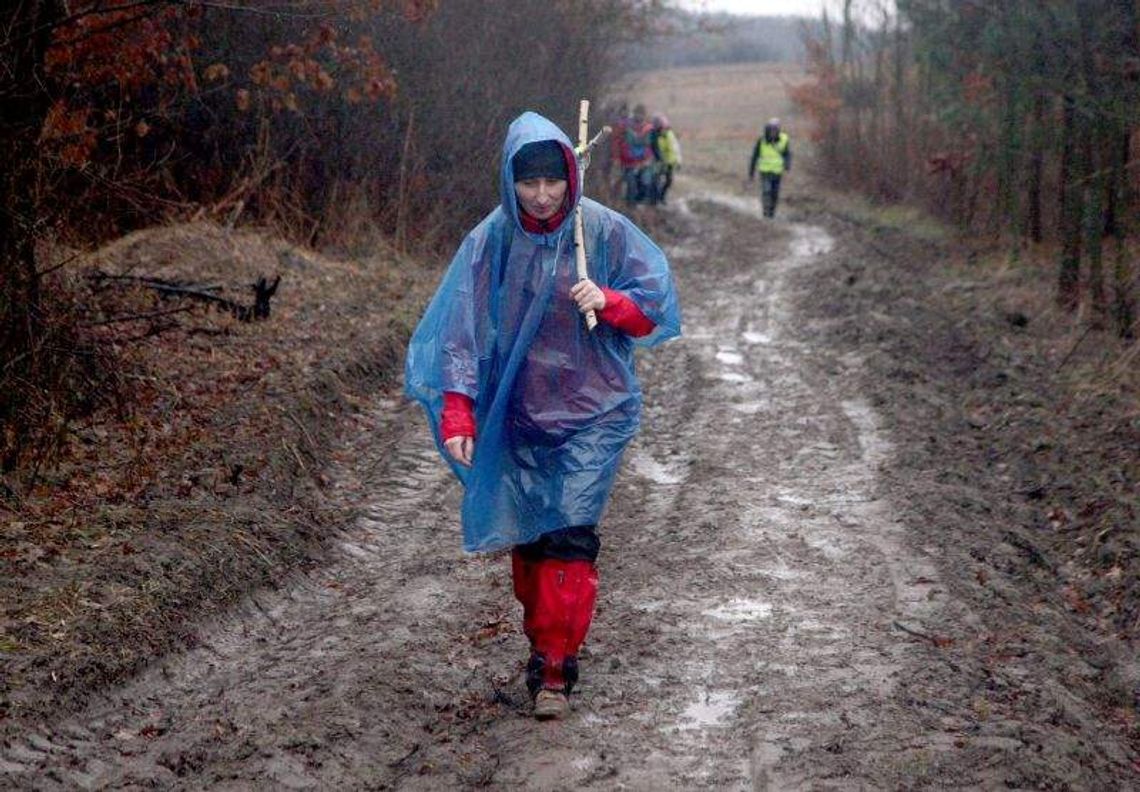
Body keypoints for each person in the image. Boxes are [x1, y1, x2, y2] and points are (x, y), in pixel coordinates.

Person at [404, 111, 682, 721]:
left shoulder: (602, 232)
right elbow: (461, 332)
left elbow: (653, 309)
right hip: (520, 409)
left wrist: (609, 301)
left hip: (595, 410)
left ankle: (555, 667)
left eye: (552, 181)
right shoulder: (491, 240)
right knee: (529, 537)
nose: (542, 194)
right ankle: (542, 641)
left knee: (570, 534)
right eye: (527, 183)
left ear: (569, 175)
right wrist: (458, 411)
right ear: (510, 180)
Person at [748, 117, 791, 218]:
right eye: (771, 129)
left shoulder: (784, 139)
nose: (773, 132)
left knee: (774, 194)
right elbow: (755, 156)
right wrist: (751, 172)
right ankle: (766, 212)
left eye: (775, 129)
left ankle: (771, 212)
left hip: (777, 172)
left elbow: (787, 154)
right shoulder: (761, 141)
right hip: (765, 171)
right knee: (766, 191)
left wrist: (787, 164)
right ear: (767, 130)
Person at [617, 103, 657, 205]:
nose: (639, 116)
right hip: (629, 161)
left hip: (644, 162)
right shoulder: (626, 127)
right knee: (631, 184)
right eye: (637, 114)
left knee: (645, 183)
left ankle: (639, 204)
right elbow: (623, 145)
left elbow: (650, 146)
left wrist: (647, 160)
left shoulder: (649, 129)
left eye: (641, 114)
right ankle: (630, 206)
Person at [650, 114, 682, 205]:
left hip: (670, 162)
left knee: (668, 181)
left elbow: (675, 148)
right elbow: (654, 148)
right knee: (656, 181)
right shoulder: (654, 136)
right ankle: (655, 200)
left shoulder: (670, 134)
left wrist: (678, 160)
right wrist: (659, 159)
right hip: (659, 161)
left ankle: (662, 198)